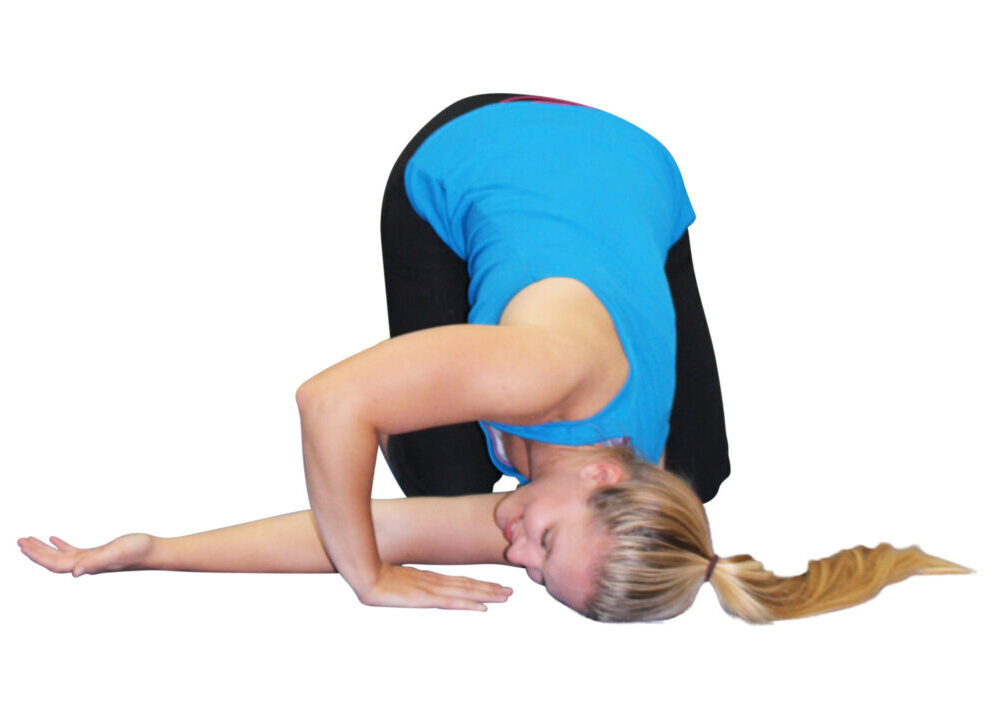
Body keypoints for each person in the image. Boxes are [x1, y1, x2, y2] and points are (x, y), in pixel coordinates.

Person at [17, 94, 971, 623]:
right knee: (439, 462)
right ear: (603, 470)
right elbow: (326, 404)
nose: (512, 547)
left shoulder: (575, 501)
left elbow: (359, 526)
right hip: (477, 139)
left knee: (697, 477)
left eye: (531, 569)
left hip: (638, 171)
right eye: (540, 546)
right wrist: (368, 581)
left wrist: (151, 552)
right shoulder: (544, 373)